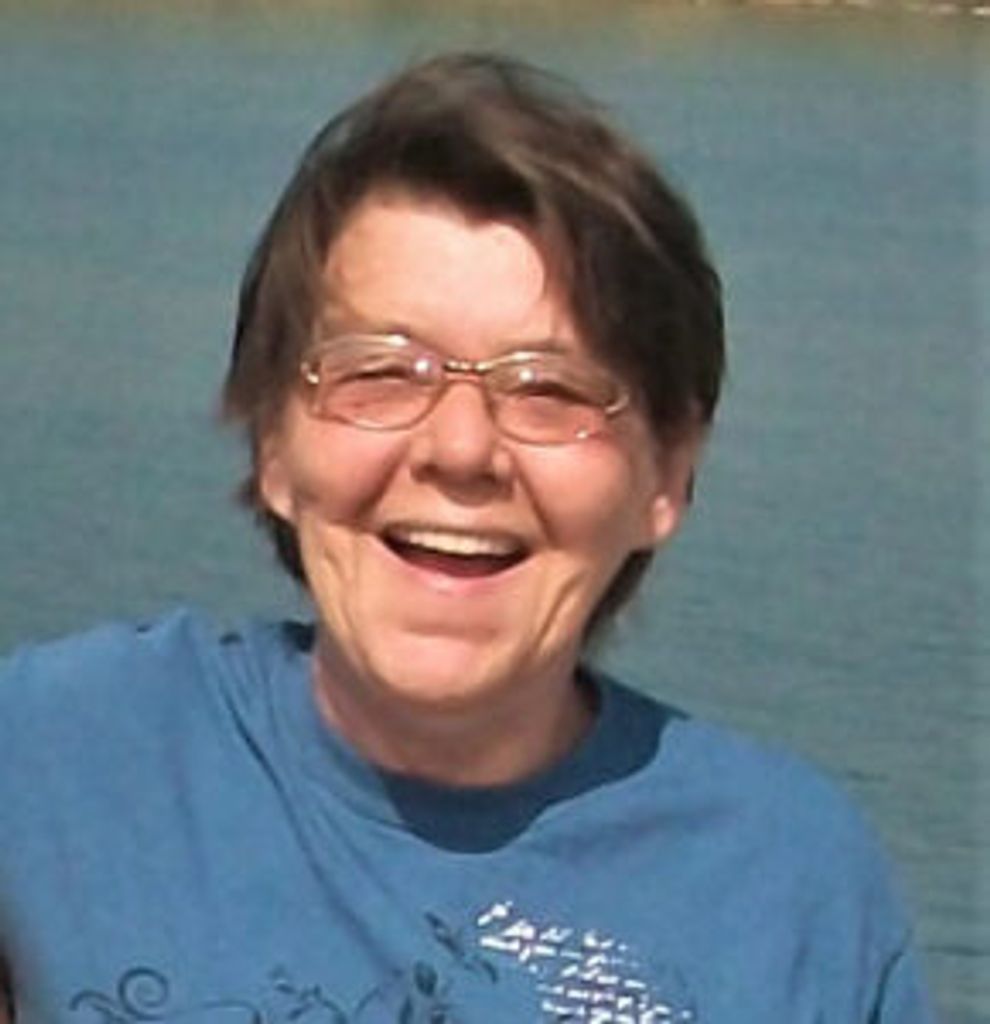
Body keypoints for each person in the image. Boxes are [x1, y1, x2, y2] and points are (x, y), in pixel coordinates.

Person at [0, 52, 933, 1023]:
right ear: (273, 441)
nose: (460, 449)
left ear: (668, 473)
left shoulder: (790, 890)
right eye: (379, 373)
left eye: (550, 390)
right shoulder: (52, 761)